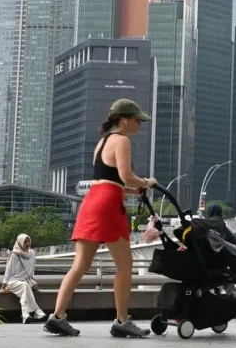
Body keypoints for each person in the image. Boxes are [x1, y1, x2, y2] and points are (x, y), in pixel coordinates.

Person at [45, 99, 155, 337]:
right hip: (108, 206)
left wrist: (132, 190)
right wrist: (146, 183)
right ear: (124, 119)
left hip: (92, 202)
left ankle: (57, 316)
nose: (139, 124)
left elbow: (109, 180)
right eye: (137, 119)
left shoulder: (102, 142)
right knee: (125, 265)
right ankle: (122, 321)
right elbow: (126, 176)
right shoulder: (122, 140)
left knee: (80, 265)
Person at [1, 234, 46, 323]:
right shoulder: (14, 254)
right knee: (25, 285)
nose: (27, 244)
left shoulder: (32, 253)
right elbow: (8, 270)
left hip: (26, 281)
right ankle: (36, 310)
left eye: (28, 241)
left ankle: (25, 315)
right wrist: (4, 286)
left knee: (25, 286)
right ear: (20, 243)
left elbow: (32, 269)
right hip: (14, 282)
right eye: (25, 242)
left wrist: (32, 281)